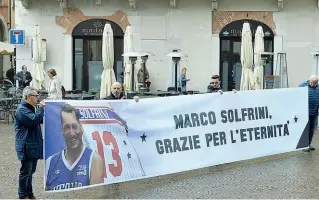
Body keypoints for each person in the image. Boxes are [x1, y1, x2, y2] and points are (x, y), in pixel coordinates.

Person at [45, 103, 104, 191]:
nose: (72, 133)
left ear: (81, 128)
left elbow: (96, 196)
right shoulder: (50, 162)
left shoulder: (94, 159)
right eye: (67, 127)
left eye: (75, 126)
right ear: (62, 131)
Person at [15, 86, 46, 199]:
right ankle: (22, 195)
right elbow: (33, 121)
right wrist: (41, 109)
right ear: (28, 96)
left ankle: (29, 193)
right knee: (25, 172)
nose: (37, 98)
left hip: (32, 145)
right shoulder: (22, 109)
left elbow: (38, 119)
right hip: (26, 146)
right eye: (35, 95)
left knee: (30, 172)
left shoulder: (30, 108)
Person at [299, 74, 319, 152]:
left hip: (314, 113)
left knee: (312, 129)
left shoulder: (318, 88)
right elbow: (297, 97)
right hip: (305, 113)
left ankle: (308, 144)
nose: (313, 84)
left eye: (315, 83)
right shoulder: (302, 85)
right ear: (309, 80)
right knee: (305, 129)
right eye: (311, 82)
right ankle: (303, 146)